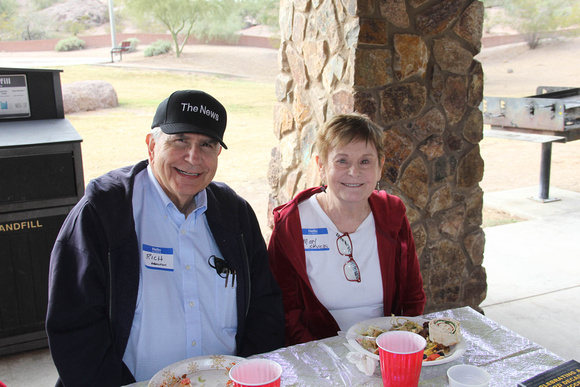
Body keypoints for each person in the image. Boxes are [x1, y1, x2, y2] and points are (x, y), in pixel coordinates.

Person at [46, 90, 285, 385]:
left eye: (207, 144)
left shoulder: (235, 215)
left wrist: (247, 375)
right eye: (180, 140)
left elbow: (265, 307)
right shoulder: (104, 213)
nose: (193, 157)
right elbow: (74, 328)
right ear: (151, 145)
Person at [268, 113, 426, 346]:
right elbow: (285, 312)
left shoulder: (392, 215)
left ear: (380, 167)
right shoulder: (293, 224)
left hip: (385, 349)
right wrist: (325, 357)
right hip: (318, 352)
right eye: (342, 161)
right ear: (321, 165)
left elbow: (413, 298)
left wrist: (399, 345)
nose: (354, 172)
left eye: (365, 161)